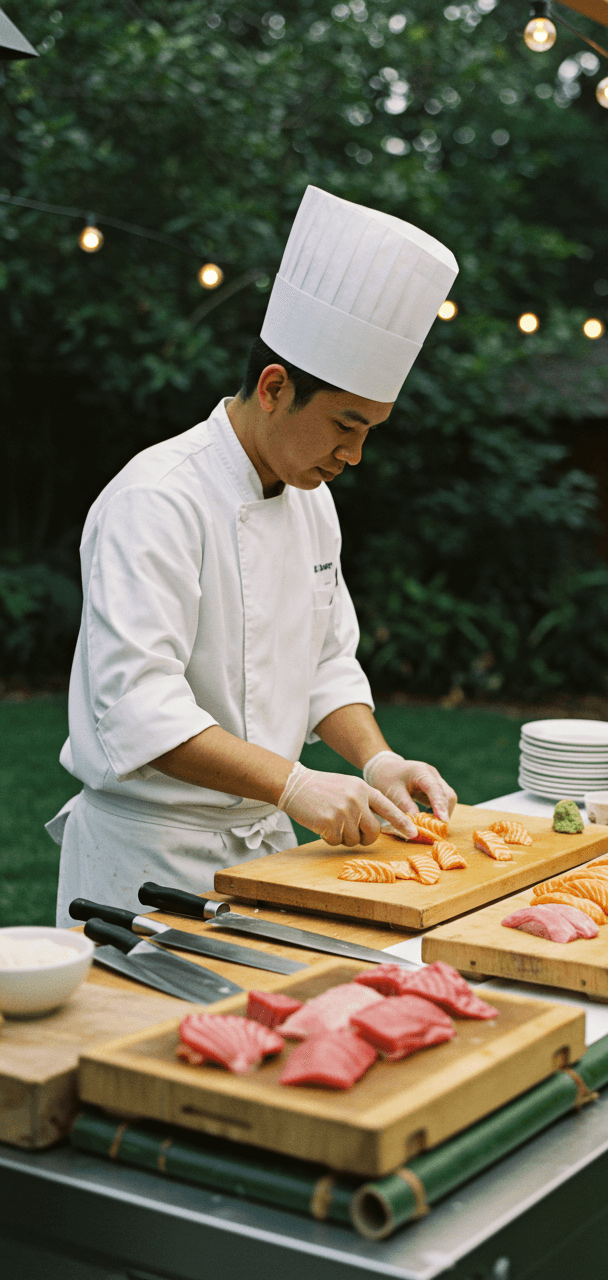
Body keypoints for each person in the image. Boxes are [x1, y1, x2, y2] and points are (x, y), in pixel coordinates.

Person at [50, 186, 459, 926]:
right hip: (146, 861)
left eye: (372, 431)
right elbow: (139, 708)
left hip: (265, 854)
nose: (356, 454)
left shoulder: (312, 497)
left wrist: (377, 761)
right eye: (346, 424)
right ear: (275, 387)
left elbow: (328, 663)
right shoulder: (156, 499)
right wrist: (295, 785)